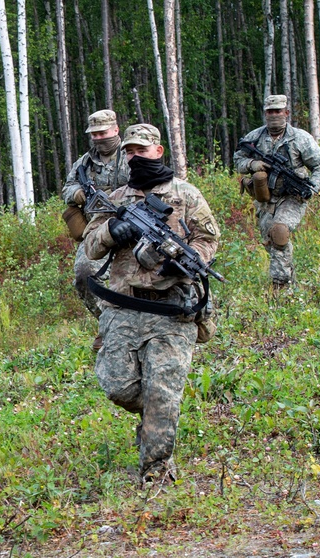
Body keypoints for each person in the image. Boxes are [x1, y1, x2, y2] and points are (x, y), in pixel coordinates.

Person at [80, 124, 220, 486]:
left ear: (158, 151)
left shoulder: (185, 195)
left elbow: (208, 238)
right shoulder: (115, 198)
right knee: (118, 386)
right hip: (123, 307)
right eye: (129, 151)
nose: (134, 156)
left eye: (141, 150)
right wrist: (114, 231)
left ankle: (156, 474)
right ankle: (158, 416)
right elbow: (91, 246)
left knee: (163, 392)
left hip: (172, 307)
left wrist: (184, 262)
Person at [233, 94, 320, 288]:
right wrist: (253, 164)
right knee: (272, 242)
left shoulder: (300, 138)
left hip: (293, 196)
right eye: (270, 111)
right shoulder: (255, 137)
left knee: (280, 232)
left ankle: (281, 286)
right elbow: (238, 160)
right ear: (265, 114)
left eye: (278, 111)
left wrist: (314, 187)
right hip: (265, 198)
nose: (274, 115)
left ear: (286, 113)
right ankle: (290, 281)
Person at [61, 110, 130, 348]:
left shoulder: (131, 155)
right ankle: (109, 323)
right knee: (84, 275)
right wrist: (78, 193)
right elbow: (67, 188)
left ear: (115, 130)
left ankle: (133, 327)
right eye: (94, 134)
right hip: (96, 228)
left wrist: (117, 198)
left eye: (103, 133)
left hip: (131, 225)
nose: (99, 138)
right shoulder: (84, 163)